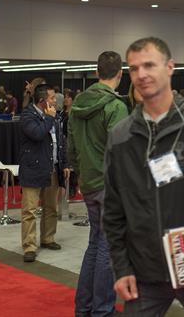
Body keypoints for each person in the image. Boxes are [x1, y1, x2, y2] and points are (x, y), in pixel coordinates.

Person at [102, 37, 184, 315]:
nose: (141, 74)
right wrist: (121, 268)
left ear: (170, 67)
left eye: (149, 65)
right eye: (134, 68)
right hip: (144, 272)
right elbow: (113, 210)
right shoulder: (121, 136)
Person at [68, 51, 129, 317]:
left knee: (96, 244)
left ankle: (85, 307)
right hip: (110, 185)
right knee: (108, 247)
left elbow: (71, 147)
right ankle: (103, 310)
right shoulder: (115, 106)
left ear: (96, 72)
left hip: (90, 183)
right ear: (121, 74)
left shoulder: (78, 105)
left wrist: (81, 176)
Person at [19, 84, 68, 263]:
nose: (56, 100)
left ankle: (48, 238)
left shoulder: (54, 116)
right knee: (30, 210)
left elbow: (60, 141)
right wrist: (48, 118)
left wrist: (65, 163)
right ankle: (29, 247)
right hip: (33, 169)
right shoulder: (27, 116)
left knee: (51, 208)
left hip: (52, 168)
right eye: (52, 98)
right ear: (42, 101)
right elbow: (38, 134)